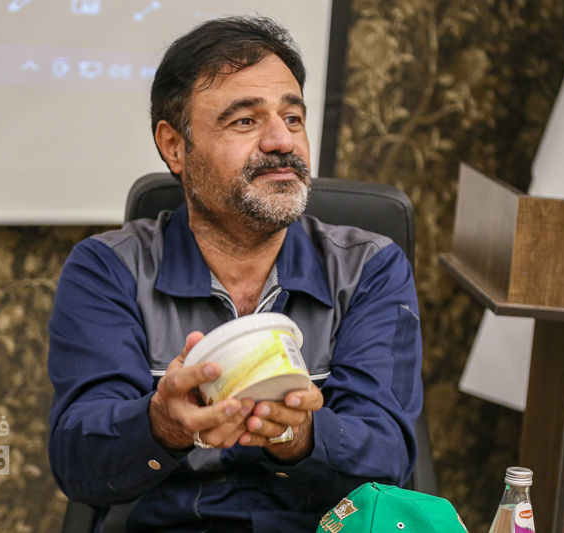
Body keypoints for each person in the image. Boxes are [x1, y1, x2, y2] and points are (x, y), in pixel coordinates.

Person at [47, 16, 423, 533]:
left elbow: (388, 460)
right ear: (175, 147)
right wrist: (163, 423)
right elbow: (79, 464)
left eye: (293, 118)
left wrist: (298, 435)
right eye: (245, 121)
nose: (281, 141)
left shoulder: (369, 269)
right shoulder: (109, 270)